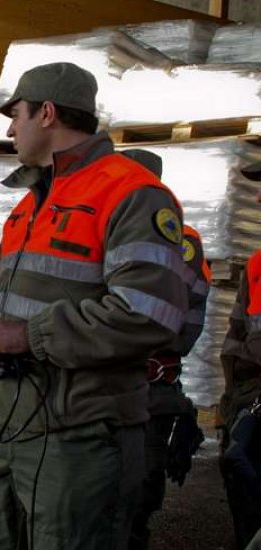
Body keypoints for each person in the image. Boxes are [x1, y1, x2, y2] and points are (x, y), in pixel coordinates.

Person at [0, 62, 189, 549]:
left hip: (77, 439)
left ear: (48, 113)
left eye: (15, 116)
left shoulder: (132, 194)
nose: (10, 130)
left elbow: (146, 313)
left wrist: (28, 335)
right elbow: (2, 297)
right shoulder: (30, 203)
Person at [121, 149, 210, 550]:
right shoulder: (112, 233)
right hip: (103, 386)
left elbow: (151, 310)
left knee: (138, 489)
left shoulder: (180, 241)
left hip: (149, 388)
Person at [219, 159, 261, 549]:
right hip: (250, 400)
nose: (259, 198)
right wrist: (231, 401)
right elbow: (236, 336)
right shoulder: (257, 263)